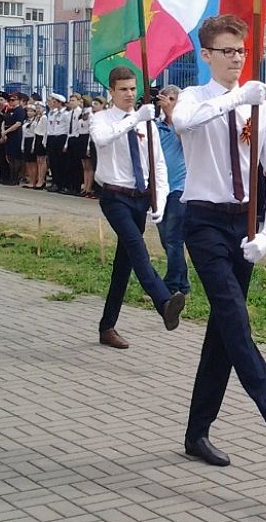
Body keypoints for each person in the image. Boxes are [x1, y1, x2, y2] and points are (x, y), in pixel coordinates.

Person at [171, 14, 266, 466]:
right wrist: (237, 98)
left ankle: (197, 433)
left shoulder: (257, 105)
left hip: (244, 225)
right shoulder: (196, 97)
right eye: (227, 51)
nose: (236, 58)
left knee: (222, 334)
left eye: (241, 51)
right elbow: (183, 122)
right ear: (207, 55)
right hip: (203, 222)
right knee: (235, 320)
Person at [89, 65, 187, 350]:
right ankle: (164, 302)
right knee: (136, 246)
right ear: (111, 91)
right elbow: (102, 139)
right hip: (114, 196)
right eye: (123, 89)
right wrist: (133, 121)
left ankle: (107, 326)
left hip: (139, 198)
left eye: (133, 88)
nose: (130, 94)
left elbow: (157, 165)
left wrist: (160, 200)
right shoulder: (101, 118)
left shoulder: (147, 123)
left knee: (124, 264)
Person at [156, 85, 191, 296]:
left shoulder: (185, 126)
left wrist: (172, 114)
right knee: (165, 239)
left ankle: (171, 285)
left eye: (172, 99)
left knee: (173, 238)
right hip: (161, 189)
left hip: (181, 188)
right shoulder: (157, 126)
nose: (167, 102)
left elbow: (186, 143)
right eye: (165, 98)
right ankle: (183, 282)